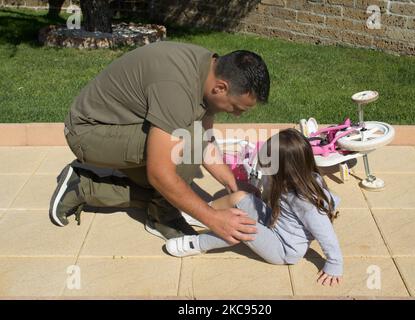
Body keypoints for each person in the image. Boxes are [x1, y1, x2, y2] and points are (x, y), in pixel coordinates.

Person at [49, 41, 270, 244]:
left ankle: (82, 186)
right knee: (178, 163)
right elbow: (160, 172)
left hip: (120, 128)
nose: (238, 115)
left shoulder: (208, 70)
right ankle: (162, 218)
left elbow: (204, 140)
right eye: (237, 108)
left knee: (177, 185)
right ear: (220, 88)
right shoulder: (176, 87)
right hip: (88, 133)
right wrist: (213, 219)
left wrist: (232, 184)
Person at [165, 129, 344, 286]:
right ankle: (199, 214)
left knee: (241, 225)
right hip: (273, 222)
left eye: (268, 163)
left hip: (282, 248)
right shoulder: (292, 178)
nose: (264, 166)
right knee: (240, 197)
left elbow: (325, 232)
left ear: (284, 170)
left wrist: (335, 263)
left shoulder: (305, 202)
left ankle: (197, 243)